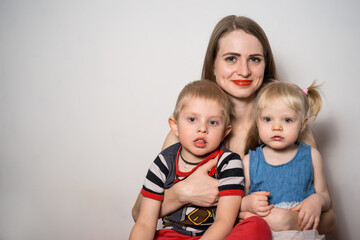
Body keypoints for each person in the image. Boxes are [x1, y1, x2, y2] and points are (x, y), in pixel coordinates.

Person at [132, 15, 336, 234]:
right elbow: (138, 213)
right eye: (231, 58)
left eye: (255, 59)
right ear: (213, 65)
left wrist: (289, 221)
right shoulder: (190, 132)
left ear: (265, 65)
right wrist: (181, 193)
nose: (244, 71)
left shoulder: (288, 127)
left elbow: (331, 221)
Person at [129, 80, 272, 240]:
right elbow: (145, 222)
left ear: (225, 131)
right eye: (192, 119)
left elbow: (224, 221)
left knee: (256, 226)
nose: (202, 128)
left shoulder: (229, 162)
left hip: (214, 235)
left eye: (213, 122)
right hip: (173, 235)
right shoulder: (163, 162)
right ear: (175, 126)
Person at [241, 81, 331, 236]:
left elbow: (325, 197)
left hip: (300, 234)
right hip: (262, 233)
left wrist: (317, 200)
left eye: (287, 120)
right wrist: (247, 203)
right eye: (267, 119)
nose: (277, 127)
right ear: (257, 122)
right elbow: (233, 205)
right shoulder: (249, 161)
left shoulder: (311, 156)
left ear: (302, 125)